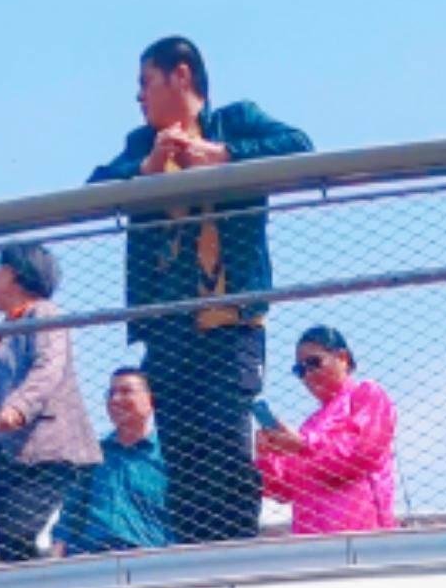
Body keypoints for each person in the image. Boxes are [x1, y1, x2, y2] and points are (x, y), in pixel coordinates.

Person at [90, 37, 311, 549]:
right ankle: (191, 554)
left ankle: (234, 553)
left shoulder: (236, 121)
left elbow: (300, 146)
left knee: (224, 444)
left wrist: (224, 156)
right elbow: (95, 188)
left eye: (146, 82)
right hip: (168, 329)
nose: (139, 97)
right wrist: (145, 173)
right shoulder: (140, 142)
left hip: (230, 324)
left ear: (180, 76)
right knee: (184, 453)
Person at [0, 242, 98, 563]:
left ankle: (39, 582)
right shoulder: (2, 329)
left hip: (42, 448)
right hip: (4, 450)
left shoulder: (44, 314)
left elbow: (49, 365)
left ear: (12, 275)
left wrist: (19, 407)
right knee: (9, 542)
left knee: (19, 527)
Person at [252, 325, 396, 535]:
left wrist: (303, 445)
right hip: (312, 542)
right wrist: (268, 455)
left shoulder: (366, 395)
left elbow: (361, 452)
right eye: (300, 370)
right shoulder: (311, 424)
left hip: (363, 533)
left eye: (313, 363)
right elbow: (283, 489)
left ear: (343, 358)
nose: (308, 375)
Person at [62, 367, 171, 555]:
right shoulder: (94, 455)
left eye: (126, 391)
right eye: (111, 393)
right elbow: (71, 511)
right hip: (92, 558)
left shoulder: (168, 456)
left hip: (152, 557)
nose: (115, 400)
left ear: (150, 400)